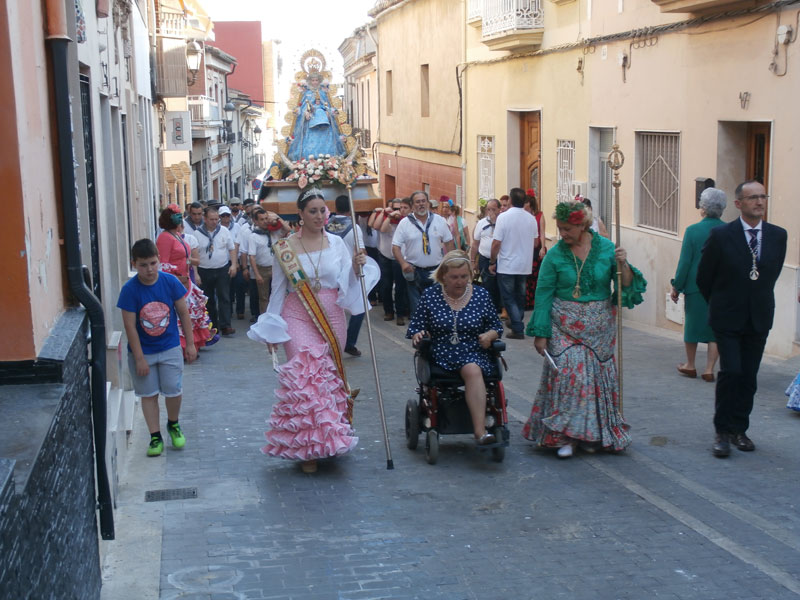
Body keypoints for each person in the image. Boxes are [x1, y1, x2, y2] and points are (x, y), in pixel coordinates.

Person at [248, 188, 379, 474]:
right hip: (297, 313)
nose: (320, 216)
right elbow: (278, 291)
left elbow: (348, 283)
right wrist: (271, 330)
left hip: (331, 315)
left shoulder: (336, 244)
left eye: (323, 210)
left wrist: (359, 268)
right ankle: (307, 450)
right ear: (301, 215)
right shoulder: (285, 247)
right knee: (305, 378)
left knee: (327, 379)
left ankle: (327, 440)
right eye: (313, 211)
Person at [523, 200, 647, 458]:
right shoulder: (555, 255)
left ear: (582, 226)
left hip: (599, 328)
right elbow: (544, 294)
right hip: (563, 325)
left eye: (567, 228)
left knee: (596, 380)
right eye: (560, 228)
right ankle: (567, 436)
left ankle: (593, 436)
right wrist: (541, 333)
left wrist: (623, 264)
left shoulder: (607, 249)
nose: (562, 234)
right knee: (572, 374)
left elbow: (625, 286)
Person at [697, 180, 786, 458]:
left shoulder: (777, 235)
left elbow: (770, 274)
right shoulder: (722, 235)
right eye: (752, 198)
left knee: (748, 377)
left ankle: (739, 429)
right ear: (738, 204)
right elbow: (704, 278)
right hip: (727, 317)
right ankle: (722, 431)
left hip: (759, 317)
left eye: (762, 197)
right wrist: (723, 303)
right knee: (731, 371)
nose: (759, 202)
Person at [406, 250, 503, 445]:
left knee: (473, 369)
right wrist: (419, 334)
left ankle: (480, 431)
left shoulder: (481, 295)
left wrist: (489, 335)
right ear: (443, 276)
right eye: (454, 277)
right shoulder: (431, 295)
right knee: (469, 368)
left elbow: (496, 327)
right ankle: (474, 428)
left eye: (464, 277)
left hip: (473, 350)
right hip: (440, 351)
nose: (460, 281)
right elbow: (416, 327)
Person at [117, 239, 197, 457]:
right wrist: (140, 358)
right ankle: (155, 436)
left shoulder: (170, 283)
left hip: (170, 347)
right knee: (149, 394)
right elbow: (129, 327)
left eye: (153, 263)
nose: (149, 270)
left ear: (159, 260)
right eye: (143, 265)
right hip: (144, 352)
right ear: (134, 264)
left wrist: (189, 344)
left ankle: (173, 423)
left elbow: (183, 313)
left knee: (174, 390)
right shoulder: (129, 291)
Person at [670, 188, 726, 382]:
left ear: (703, 207)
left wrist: (677, 285)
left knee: (692, 326)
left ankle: (690, 364)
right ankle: (709, 368)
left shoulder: (692, 231)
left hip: (696, 285)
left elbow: (685, 262)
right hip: (720, 287)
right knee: (715, 329)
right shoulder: (727, 230)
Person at [155, 205, 215, 350]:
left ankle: (191, 345)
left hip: (185, 282)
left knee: (188, 316)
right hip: (175, 284)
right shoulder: (165, 238)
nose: (180, 219)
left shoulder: (176, 235)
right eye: (177, 216)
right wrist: (176, 276)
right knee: (178, 317)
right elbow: (163, 264)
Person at [392, 191, 455, 315]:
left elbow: (449, 242)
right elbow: (395, 247)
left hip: (436, 271)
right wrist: (403, 264)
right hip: (414, 271)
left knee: (436, 306)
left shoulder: (439, 220)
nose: (421, 204)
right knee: (417, 308)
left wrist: (448, 263)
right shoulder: (405, 223)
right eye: (417, 202)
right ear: (412, 205)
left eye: (423, 201)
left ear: (427, 203)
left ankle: (435, 332)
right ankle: (421, 333)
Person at [489, 188, 538, 339]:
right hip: (524, 264)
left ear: (510, 200)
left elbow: (496, 243)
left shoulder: (503, 217)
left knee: (508, 297)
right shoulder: (531, 218)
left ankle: (517, 327)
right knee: (520, 296)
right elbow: (536, 242)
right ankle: (516, 320)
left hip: (507, 264)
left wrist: (492, 261)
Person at [326, 195, 368, 357]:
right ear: (351, 208)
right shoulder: (355, 227)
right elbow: (361, 251)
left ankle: (333, 341)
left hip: (331, 273)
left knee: (334, 308)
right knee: (359, 308)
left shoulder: (325, 225)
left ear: (335, 207)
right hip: (350, 273)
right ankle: (348, 342)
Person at [194, 206, 238, 336]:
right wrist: (196, 273)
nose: (214, 222)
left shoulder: (223, 231)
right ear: (205, 219)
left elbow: (231, 249)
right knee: (208, 300)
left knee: (224, 296)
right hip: (204, 270)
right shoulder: (197, 234)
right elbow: (195, 255)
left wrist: (233, 265)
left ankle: (226, 325)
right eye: (211, 219)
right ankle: (213, 325)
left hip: (222, 268)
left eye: (216, 219)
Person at [287, 70, 345, 161]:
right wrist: (306, 112)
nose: (314, 82)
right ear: (310, 81)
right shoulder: (307, 94)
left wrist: (327, 112)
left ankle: (329, 160)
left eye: (316, 80)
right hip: (310, 123)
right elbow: (302, 108)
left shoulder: (323, 93)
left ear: (319, 81)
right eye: (313, 80)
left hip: (325, 125)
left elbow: (328, 105)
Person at [370, 198, 411, 327]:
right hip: (385, 255)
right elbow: (380, 228)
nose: (399, 211)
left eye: (402, 208)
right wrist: (388, 216)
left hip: (400, 257)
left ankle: (400, 314)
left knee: (400, 287)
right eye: (396, 208)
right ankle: (388, 311)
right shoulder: (385, 217)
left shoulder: (406, 222)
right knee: (386, 286)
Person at [248, 207, 289, 315]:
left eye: (266, 218)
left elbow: (288, 229)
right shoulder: (253, 236)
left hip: (276, 268)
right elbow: (251, 257)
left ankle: (278, 316)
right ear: (256, 221)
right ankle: (264, 319)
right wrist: (257, 275)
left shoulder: (274, 232)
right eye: (262, 219)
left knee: (277, 294)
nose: (265, 221)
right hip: (262, 269)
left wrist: (277, 218)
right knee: (264, 297)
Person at [470, 198, 501, 311]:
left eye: (493, 209)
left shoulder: (503, 222)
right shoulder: (481, 223)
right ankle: (488, 308)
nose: (491, 212)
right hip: (485, 258)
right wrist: (473, 261)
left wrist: (495, 223)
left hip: (500, 259)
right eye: (489, 209)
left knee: (500, 284)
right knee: (487, 285)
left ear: (499, 209)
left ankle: (499, 308)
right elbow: (475, 243)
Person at [523, 189, 546, 310]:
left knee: (535, 276)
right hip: (526, 248)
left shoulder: (539, 215)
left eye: (525, 202)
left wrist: (542, 247)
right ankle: (526, 301)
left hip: (536, 249)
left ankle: (534, 301)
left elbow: (542, 232)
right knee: (526, 276)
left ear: (530, 203)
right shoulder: (523, 215)